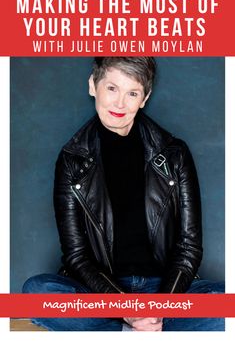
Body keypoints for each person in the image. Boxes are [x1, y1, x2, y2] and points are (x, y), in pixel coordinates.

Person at [23, 57, 224, 331]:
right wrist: (126, 309)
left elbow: (189, 249)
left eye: (132, 93)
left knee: (224, 302)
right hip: (100, 293)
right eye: (112, 88)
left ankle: (131, 330)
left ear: (145, 98)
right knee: (36, 293)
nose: (120, 104)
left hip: (165, 289)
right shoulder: (72, 160)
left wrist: (160, 308)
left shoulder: (175, 154)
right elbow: (76, 256)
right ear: (93, 86)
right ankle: (138, 329)